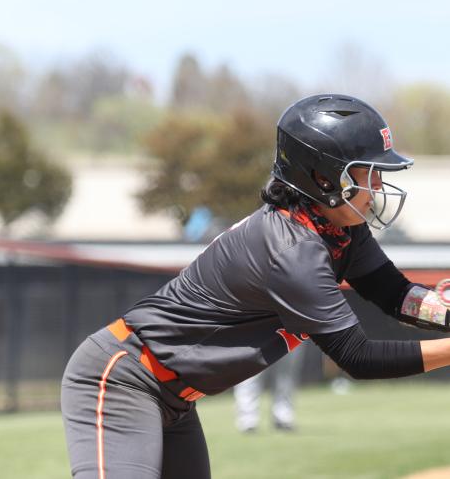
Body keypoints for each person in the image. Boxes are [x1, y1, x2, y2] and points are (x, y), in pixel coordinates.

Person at [61, 94, 450, 479]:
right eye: (368, 172)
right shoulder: (293, 248)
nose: (379, 184)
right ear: (323, 176)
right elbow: (358, 357)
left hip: (173, 397)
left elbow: (394, 293)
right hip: (123, 380)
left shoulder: (336, 229)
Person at [233, 346, 305, 432]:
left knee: (285, 374)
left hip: (289, 334)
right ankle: (247, 419)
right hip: (255, 333)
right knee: (252, 371)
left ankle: (283, 416)